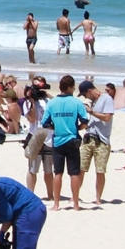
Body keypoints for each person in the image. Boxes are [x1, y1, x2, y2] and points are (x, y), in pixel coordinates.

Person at [42, 74, 88, 210]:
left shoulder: (52, 103)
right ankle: (75, 204)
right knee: (74, 173)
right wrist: (77, 128)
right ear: (69, 87)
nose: (74, 89)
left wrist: (55, 127)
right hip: (72, 139)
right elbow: (85, 122)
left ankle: (56, 204)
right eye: (73, 87)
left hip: (58, 140)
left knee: (58, 173)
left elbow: (45, 123)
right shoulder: (76, 103)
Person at [80, 80, 114, 205]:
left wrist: (91, 111)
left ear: (89, 91)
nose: (85, 97)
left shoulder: (107, 99)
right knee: (81, 168)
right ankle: (75, 196)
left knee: (100, 171)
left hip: (102, 141)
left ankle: (98, 198)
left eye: (84, 94)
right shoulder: (93, 102)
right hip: (89, 138)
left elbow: (107, 117)